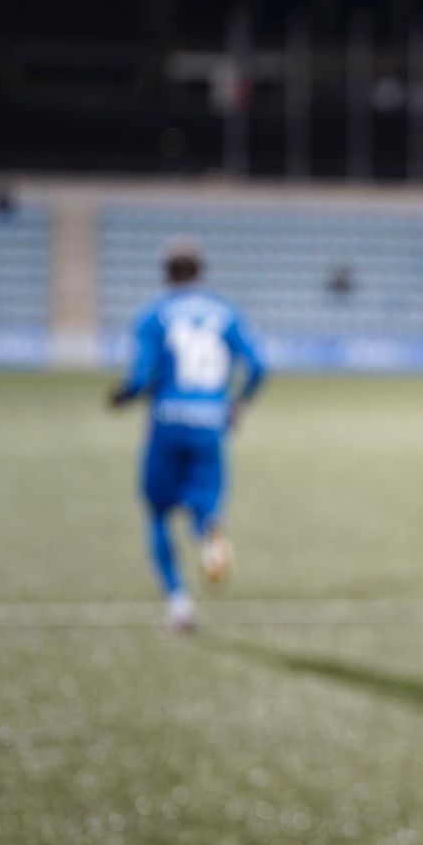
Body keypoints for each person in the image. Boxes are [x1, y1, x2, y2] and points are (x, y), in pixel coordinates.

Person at [108, 238, 266, 633]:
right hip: (211, 423)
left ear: (166, 272)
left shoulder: (153, 315)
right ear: (200, 270)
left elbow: (142, 377)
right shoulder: (225, 313)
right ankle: (210, 534)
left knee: (158, 512)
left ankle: (179, 604)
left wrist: (122, 396)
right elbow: (260, 365)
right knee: (206, 507)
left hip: (166, 423)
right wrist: (238, 402)